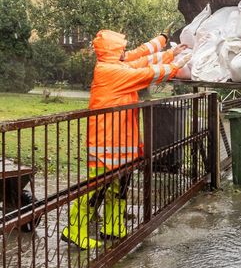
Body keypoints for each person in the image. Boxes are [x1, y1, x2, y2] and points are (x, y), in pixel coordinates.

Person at [61, 29, 190, 249]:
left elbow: (141, 61)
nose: (125, 50)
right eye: (121, 48)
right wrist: (175, 66)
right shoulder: (109, 71)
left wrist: (171, 52)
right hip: (106, 145)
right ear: (113, 51)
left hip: (121, 144)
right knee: (95, 190)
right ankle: (74, 229)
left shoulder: (115, 66)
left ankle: (113, 227)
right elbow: (146, 74)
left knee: (119, 188)